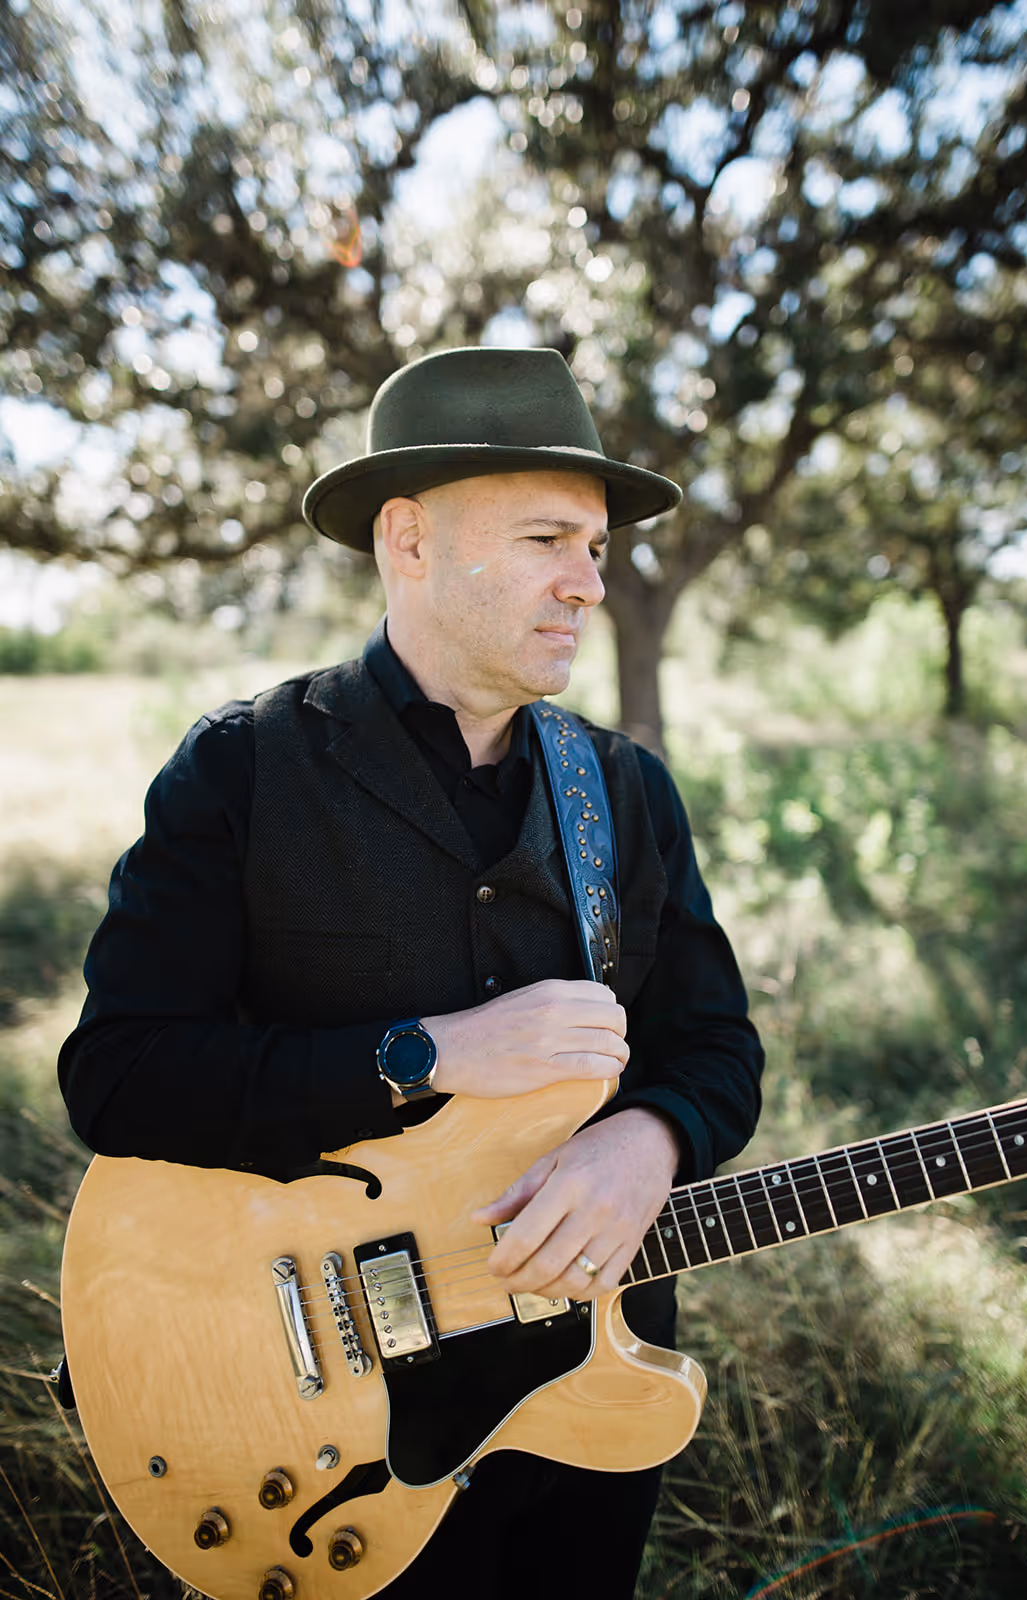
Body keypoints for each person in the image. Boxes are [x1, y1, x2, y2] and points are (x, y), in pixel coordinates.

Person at [59, 345, 764, 1598]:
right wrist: (421, 1052)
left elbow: (715, 1047)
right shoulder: (241, 770)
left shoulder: (628, 793)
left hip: (587, 1391)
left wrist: (649, 1136)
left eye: (596, 548)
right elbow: (118, 1078)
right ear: (409, 538)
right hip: (322, 1423)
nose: (586, 583)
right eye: (551, 537)